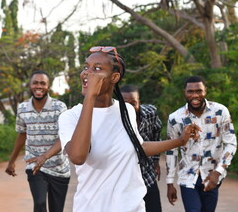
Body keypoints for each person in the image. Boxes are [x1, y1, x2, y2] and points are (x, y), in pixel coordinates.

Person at [58, 46, 199, 212]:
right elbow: (77, 157)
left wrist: (180, 141)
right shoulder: (70, 117)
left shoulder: (127, 110)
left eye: (96, 68)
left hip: (132, 207)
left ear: (114, 77)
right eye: (85, 67)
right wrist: (90, 97)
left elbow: (138, 147)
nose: (86, 73)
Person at [166, 75, 237, 212]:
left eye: (199, 91)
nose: (195, 95)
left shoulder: (220, 111)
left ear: (206, 91)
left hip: (211, 176)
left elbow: (231, 144)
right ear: (184, 92)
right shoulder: (175, 118)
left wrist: (218, 172)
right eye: (190, 91)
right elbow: (171, 151)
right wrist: (170, 183)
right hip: (187, 176)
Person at [5, 70, 70, 212]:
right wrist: (11, 161)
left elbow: (64, 137)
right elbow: (22, 135)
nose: (38, 86)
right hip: (34, 166)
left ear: (48, 87)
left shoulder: (59, 107)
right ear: (30, 85)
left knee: (56, 209)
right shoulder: (22, 108)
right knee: (39, 203)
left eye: (42, 83)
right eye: (35, 83)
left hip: (59, 168)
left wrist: (45, 156)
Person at [121, 84, 163, 212]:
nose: (130, 108)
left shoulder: (150, 113)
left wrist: (155, 160)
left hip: (146, 175)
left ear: (139, 102)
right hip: (124, 179)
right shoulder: (114, 119)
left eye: (133, 103)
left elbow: (156, 133)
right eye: (125, 104)